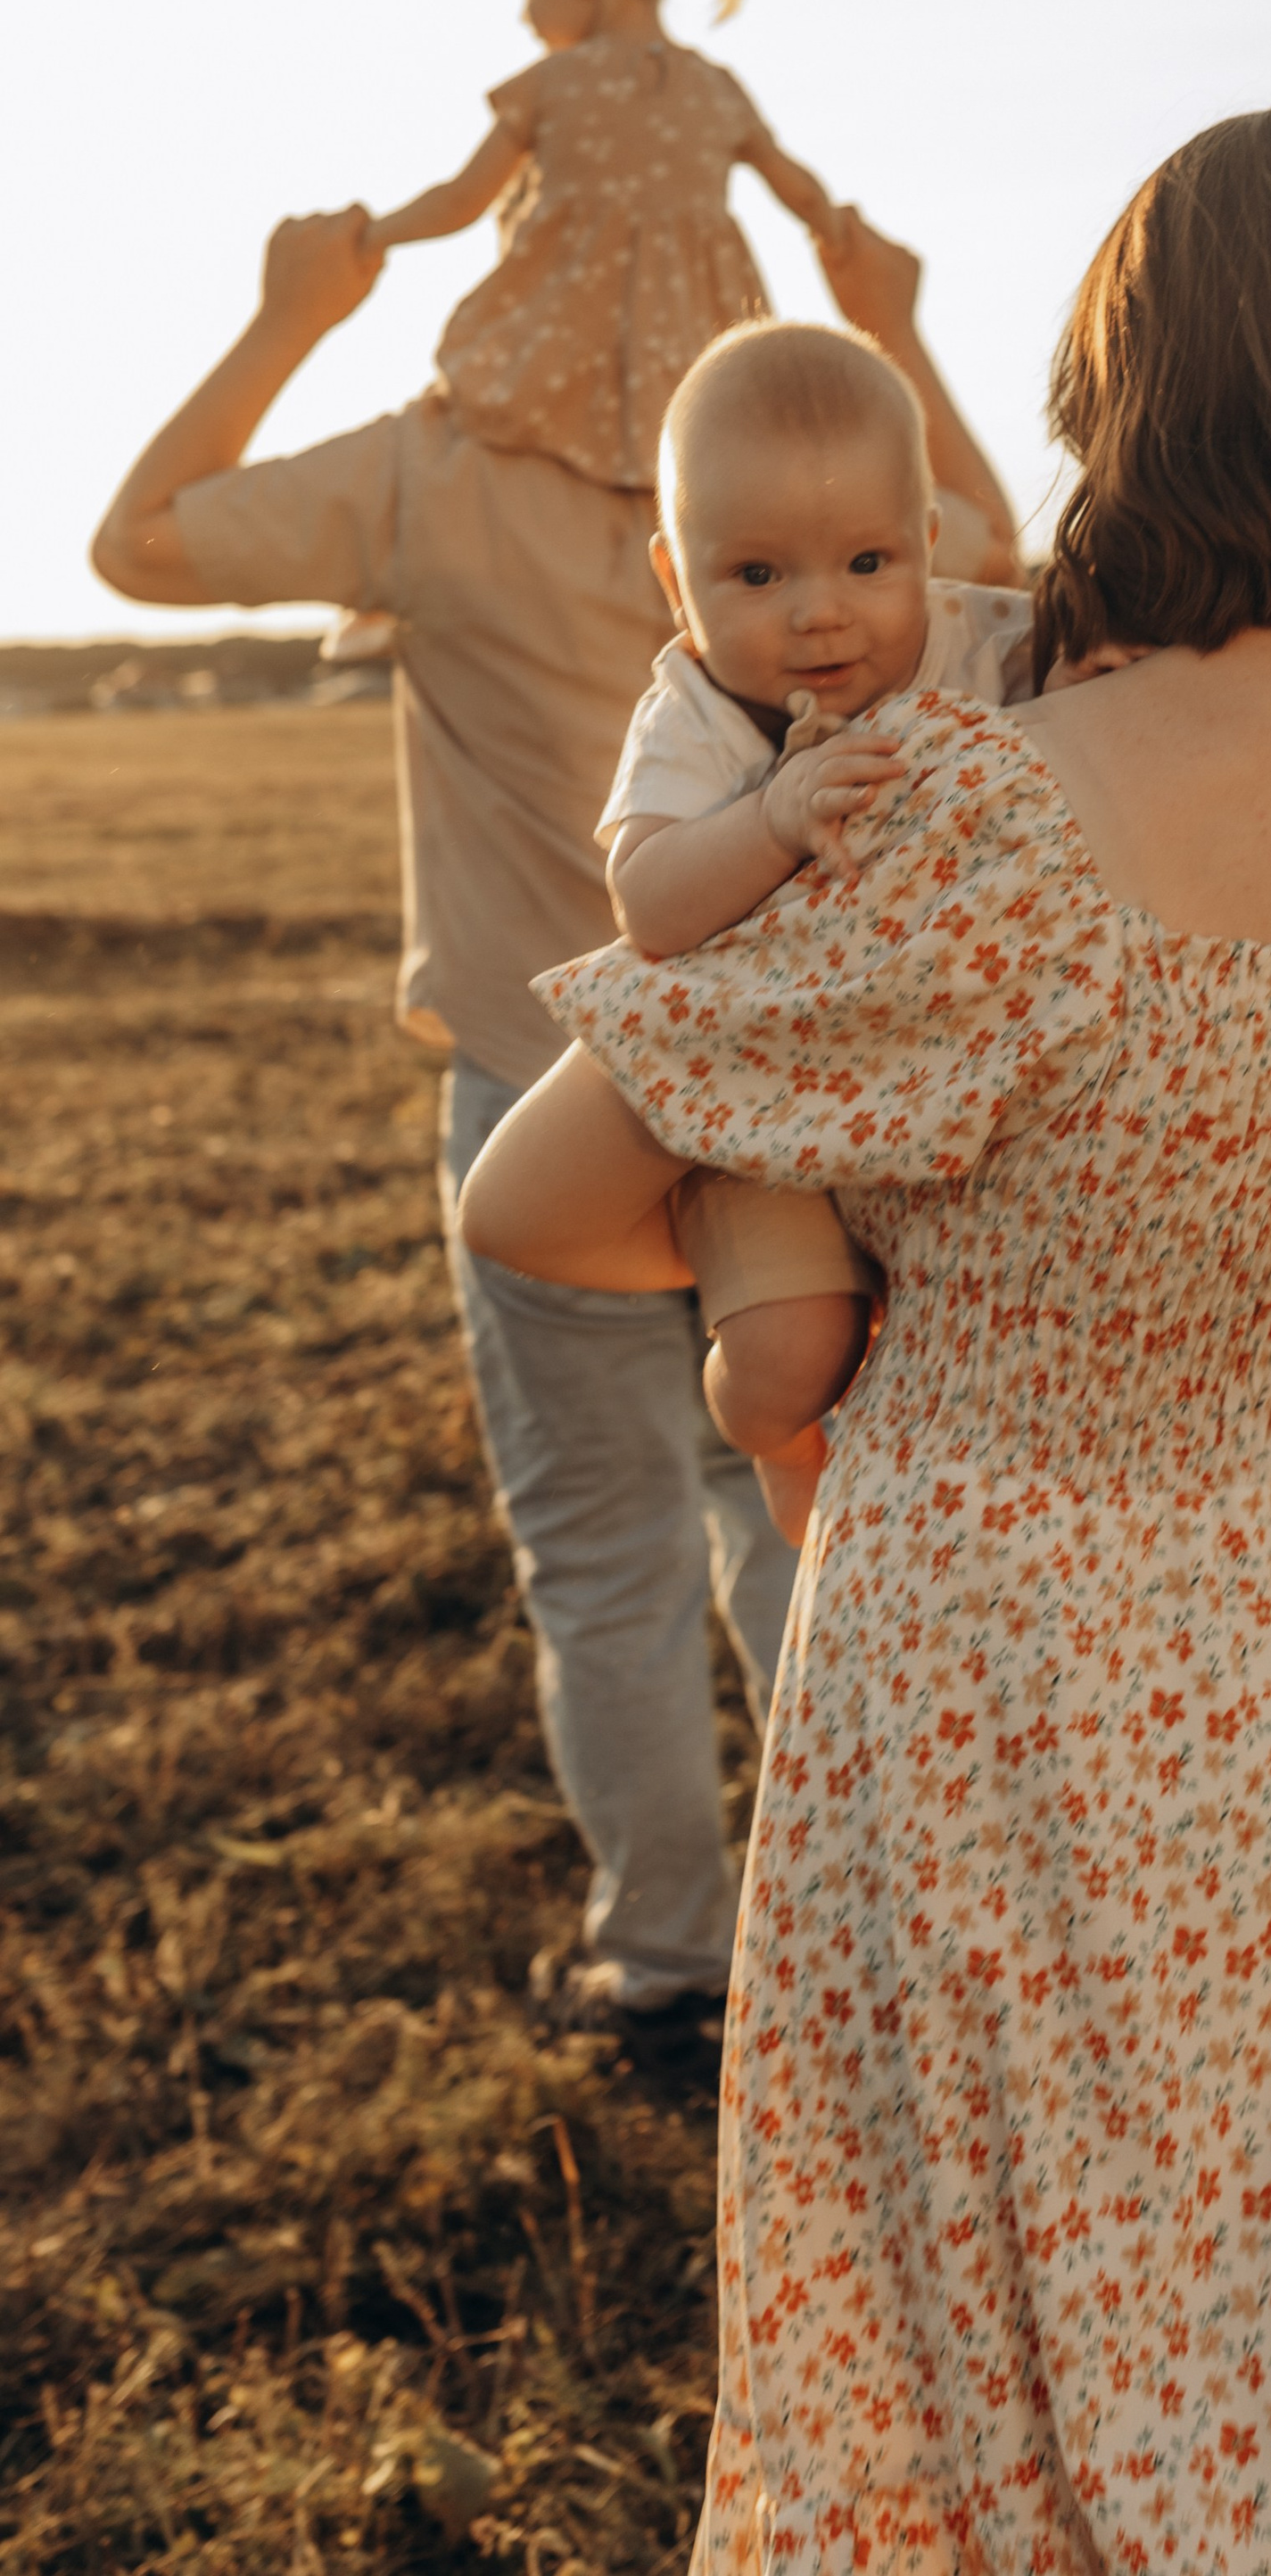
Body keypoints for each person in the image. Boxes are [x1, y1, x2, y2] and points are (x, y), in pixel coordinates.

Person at [461, 100, 1271, 2570]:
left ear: (1135, 394)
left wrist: (831, 1274)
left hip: (1008, 1631)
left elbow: (533, 1193)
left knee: (979, 2306)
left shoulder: (999, 811)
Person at [88, 186, 1021, 2047]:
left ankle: (666, 1955)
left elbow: (140, 544)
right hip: (839, 1110)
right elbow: (999, 560)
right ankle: (866, 1933)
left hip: (551, 1095)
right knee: (816, 1516)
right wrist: (888, 321)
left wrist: (296, 312)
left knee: (604, 1551)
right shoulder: (829, 441)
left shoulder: (438, 475)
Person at [598, 315, 1032, 1466]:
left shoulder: (984, 642)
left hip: (927, 1069)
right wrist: (769, 818)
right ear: (672, 577)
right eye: (754, 573)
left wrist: (1099, 662)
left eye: (867, 563)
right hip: (754, 1103)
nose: (818, 611)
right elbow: (645, 900)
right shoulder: (694, 711)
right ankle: (769, 1443)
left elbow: (1110, 701)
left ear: (929, 543)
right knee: (795, 1351)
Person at [320, 0, 853, 666]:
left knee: (468, 424)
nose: (524, 14)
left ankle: (401, 582)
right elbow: (800, 189)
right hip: (695, 336)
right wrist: (840, 231)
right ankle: (702, 638)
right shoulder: (715, 89)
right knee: (690, 482)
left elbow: (464, 200)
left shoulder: (552, 85)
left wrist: (373, 233)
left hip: (558, 326)